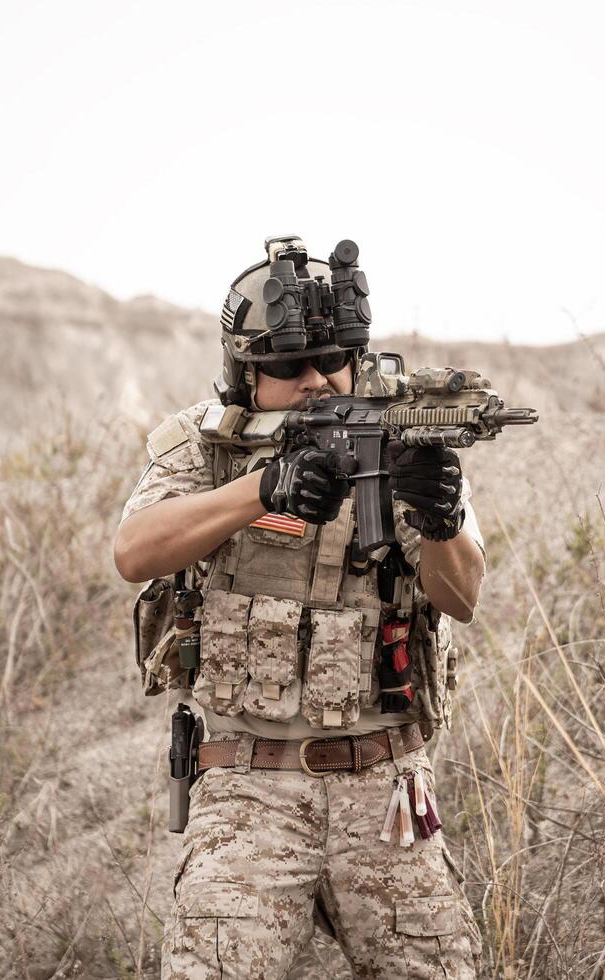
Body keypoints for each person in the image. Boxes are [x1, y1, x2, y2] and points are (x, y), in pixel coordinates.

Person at [114, 236, 485, 979]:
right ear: (244, 372)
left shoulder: (403, 433)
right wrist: (263, 488)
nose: (318, 381)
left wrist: (439, 520)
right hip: (248, 788)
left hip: (386, 789)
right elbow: (134, 553)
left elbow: (462, 596)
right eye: (289, 367)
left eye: (334, 359)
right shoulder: (205, 445)